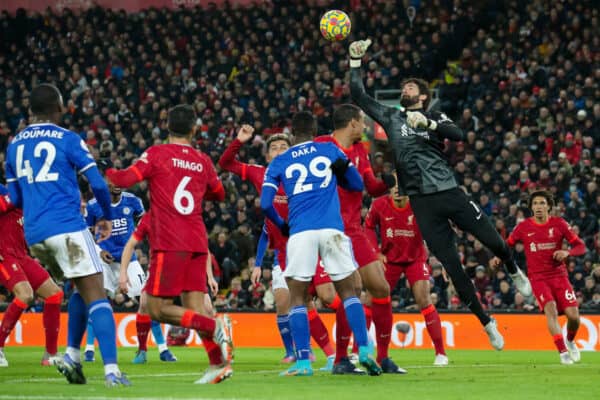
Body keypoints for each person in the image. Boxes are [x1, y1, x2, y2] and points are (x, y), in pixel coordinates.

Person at [348, 40, 532, 350]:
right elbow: (359, 96)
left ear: (421, 96)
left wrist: (430, 123)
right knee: (452, 267)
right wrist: (355, 61)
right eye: (403, 87)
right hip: (422, 203)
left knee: (494, 242)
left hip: (449, 192)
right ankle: (487, 323)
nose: (403, 90)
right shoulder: (392, 118)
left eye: (409, 88)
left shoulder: (436, 114)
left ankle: (513, 268)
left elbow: (458, 135)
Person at [4, 83, 129, 386]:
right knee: (97, 293)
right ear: (58, 108)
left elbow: (15, 198)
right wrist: (109, 217)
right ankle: (112, 371)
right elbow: (98, 184)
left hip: (35, 236)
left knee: (77, 287)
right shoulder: (67, 138)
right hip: (67, 227)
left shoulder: (15, 144)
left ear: (31, 110)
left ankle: (72, 355)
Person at [105, 104, 233, 384]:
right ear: (194, 129)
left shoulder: (157, 154)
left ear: (167, 127)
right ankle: (217, 364)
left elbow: (124, 179)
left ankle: (215, 325)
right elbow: (220, 194)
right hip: (197, 242)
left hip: (170, 241)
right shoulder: (202, 160)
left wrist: (104, 168)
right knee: (193, 308)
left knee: (154, 308)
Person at [261, 111, 381, 377]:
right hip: (332, 229)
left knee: (298, 298)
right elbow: (357, 183)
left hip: (300, 232)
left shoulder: (279, 162)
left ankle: (303, 362)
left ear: (292, 136)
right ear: (315, 131)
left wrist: (282, 226)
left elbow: (266, 204)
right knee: (350, 292)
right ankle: (363, 350)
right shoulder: (328, 149)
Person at [219, 127, 337, 371]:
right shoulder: (260, 173)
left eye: (284, 147)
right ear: (268, 156)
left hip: (312, 242)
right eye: (274, 148)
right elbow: (226, 163)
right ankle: (322, 356)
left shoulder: (302, 172)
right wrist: (239, 142)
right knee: (300, 302)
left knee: (328, 297)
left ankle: (361, 331)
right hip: (285, 252)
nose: (279, 150)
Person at [314, 104, 404, 374]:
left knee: (381, 287)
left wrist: (390, 179)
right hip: (329, 229)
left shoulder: (360, 152)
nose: (365, 127)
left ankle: (384, 357)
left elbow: (371, 187)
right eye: (362, 122)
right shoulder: (320, 145)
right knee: (349, 292)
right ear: (352, 123)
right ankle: (341, 358)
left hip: (354, 229)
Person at [83, 183, 176, 364]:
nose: (117, 185)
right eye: (112, 182)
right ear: (106, 184)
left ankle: (163, 349)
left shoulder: (133, 201)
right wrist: (98, 250)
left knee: (147, 302)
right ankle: (88, 350)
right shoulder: (94, 205)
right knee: (99, 302)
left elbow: (145, 225)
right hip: (105, 261)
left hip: (130, 260)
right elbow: (86, 234)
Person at [493, 190, 585, 364]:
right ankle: (563, 353)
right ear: (531, 207)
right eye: (535, 204)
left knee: (574, 317)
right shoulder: (523, 227)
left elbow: (580, 246)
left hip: (559, 276)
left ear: (549, 206)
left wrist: (567, 252)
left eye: (542, 203)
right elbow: (508, 245)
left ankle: (570, 341)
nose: (538, 207)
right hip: (538, 278)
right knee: (550, 310)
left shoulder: (560, 224)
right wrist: (499, 255)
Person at [364, 180, 448, 366]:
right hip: (389, 260)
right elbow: (368, 226)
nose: (396, 188)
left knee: (423, 298)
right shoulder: (379, 204)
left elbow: (437, 232)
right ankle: (360, 349)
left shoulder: (420, 206)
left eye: (400, 184)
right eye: (393, 184)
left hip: (415, 259)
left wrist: (445, 261)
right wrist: (375, 252)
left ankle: (441, 353)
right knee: (370, 299)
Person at [118, 212, 218, 357]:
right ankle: (142, 350)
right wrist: (123, 272)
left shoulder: (183, 216)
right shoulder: (148, 218)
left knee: (207, 309)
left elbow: (203, 248)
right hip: (160, 269)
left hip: (186, 266)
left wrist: (210, 277)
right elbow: (131, 245)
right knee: (145, 304)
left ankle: (218, 347)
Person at [0, 185, 63, 367]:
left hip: (22, 254)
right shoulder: (8, 193)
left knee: (54, 294)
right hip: (4, 255)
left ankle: (50, 354)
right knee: (25, 295)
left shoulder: (29, 200)